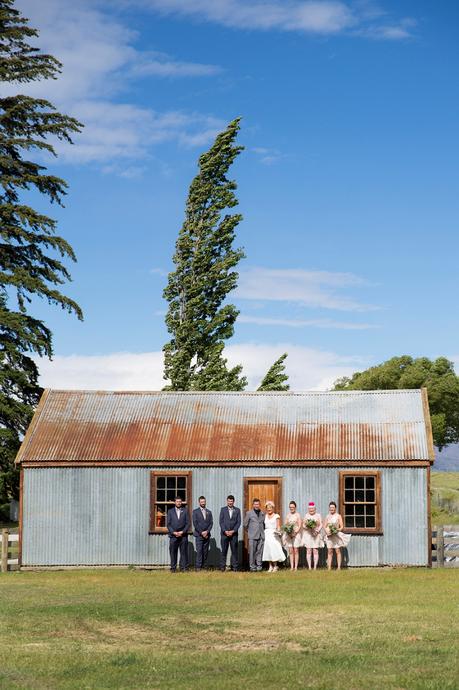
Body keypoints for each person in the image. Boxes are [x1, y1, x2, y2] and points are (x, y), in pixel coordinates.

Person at [323, 501, 351, 570]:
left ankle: (338, 567)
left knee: (337, 550)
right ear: (329, 508)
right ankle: (329, 567)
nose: (331, 509)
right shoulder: (327, 516)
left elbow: (341, 526)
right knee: (329, 551)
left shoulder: (338, 516)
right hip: (329, 536)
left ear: (335, 508)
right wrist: (327, 532)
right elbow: (324, 526)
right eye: (330, 507)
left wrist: (336, 530)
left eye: (333, 507)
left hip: (336, 535)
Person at [166, 496, 190, 572]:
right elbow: (168, 524)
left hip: (183, 536)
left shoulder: (185, 511)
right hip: (173, 536)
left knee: (184, 553)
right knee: (173, 552)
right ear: (174, 502)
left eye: (180, 501)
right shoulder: (170, 511)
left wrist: (182, 532)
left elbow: (188, 523)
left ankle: (184, 568)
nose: (179, 503)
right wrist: (174, 532)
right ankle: (173, 568)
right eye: (177, 501)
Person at [262, 501, 286, 572]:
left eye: (270, 508)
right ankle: (270, 566)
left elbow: (278, 526)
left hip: (274, 534)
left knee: (274, 549)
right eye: (268, 508)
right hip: (266, 534)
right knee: (268, 550)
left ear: (273, 508)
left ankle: (275, 566)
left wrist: (278, 531)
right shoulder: (265, 516)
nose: (269, 509)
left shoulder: (276, 516)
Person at [219, 495, 241, 572]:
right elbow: (221, 522)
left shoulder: (237, 510)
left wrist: (233, 531)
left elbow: (238, 522)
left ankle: (235, 568)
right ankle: (222, 568)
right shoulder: (223, 510)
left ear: (233, 501)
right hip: (224, 534)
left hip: (234, 535)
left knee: (234, 552)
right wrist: (225, 531)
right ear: (227, 501)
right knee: (224, 551)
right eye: (229, 501)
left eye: (231, 501)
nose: (230, 502)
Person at [244, 498, 265, 572]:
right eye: (255, 504)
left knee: (260, 551)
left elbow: (264, 524)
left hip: (261, 535)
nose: (256, 505)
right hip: (252, 536)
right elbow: (245, 525)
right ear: (253, 505)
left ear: (260, 505)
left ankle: (259, 566)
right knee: (252, 552)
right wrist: (250, 532)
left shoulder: (262, 513)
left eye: (258, 504)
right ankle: (252, 566)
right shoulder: (249, 513)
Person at [192, 496, 213, 571]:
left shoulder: (209, 512)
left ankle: (204, 566)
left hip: (207, 535)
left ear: (205, 502)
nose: (203, 503)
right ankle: (198, 567)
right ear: (199, 502)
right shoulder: (195, 512)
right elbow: (195, 523)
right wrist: (201, 532)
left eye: (204, 502)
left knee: (205, 551)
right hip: (199, 535)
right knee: (199, 551)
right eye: (201, 502)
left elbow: (211, 523)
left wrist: (207, 532)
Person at [282, 500, 303, 571]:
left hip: (296, 534)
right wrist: (288, 532)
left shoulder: (298, 515)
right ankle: (291, 566)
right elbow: (286, 525)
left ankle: (296, 567)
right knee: (290, 550)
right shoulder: (288, 515)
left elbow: (300, 525)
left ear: (295, 507)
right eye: (290, 507)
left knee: (296, 550)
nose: (291, 508)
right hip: (289, 534)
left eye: (293, 507)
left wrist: (295, 533)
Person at [302, 501, 323, 570]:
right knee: (308, 550)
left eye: (312, 509)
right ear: (308, 509)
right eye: (310, 509)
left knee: (315, 550)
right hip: (308, 534)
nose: (311, 510)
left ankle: (315, 567)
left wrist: (317, 531)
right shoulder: (306, 515)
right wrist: (307, 527)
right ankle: (309, 567)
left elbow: (321, 524)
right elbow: (303, 525)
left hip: (315, 535)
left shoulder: (318, 515)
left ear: (315, 509)